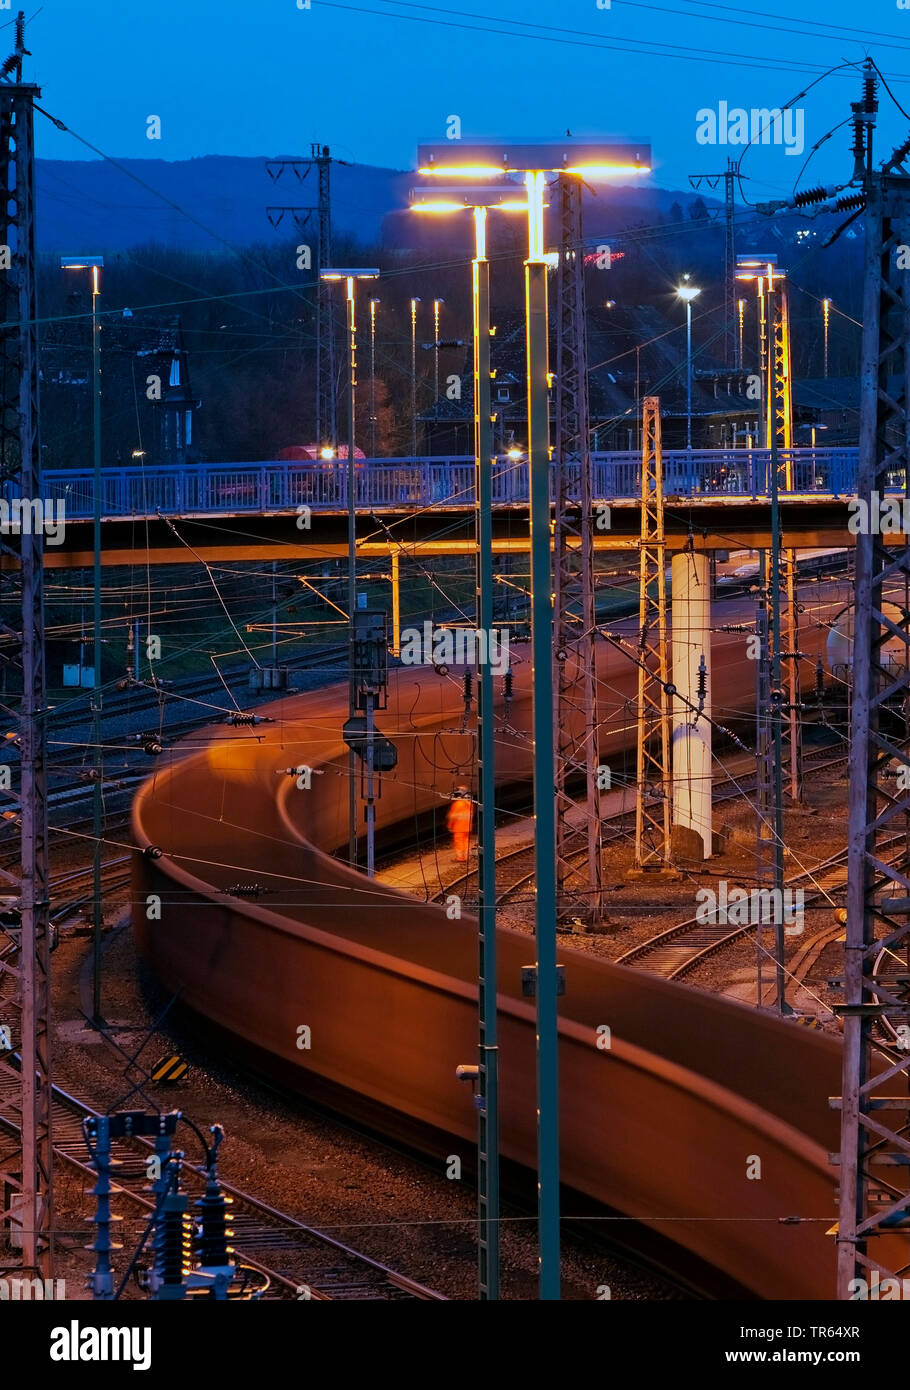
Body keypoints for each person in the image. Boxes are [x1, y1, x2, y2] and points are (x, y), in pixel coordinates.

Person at [446, 787, 473, 863]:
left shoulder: (458, 804)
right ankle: (466, 856)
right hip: (467, 827)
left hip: (459, 827)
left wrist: (450, 825)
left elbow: (453, 817)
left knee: (459, 842)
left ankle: (460, 858)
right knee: (466, 842)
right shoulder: (469, 804)